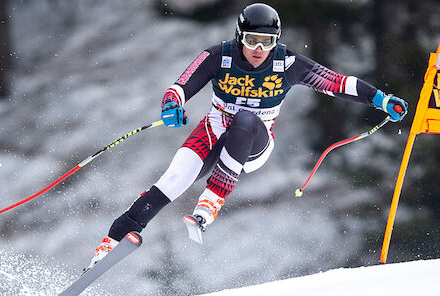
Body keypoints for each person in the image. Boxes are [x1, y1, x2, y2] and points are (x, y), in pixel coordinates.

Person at [85, 3, 408, 270]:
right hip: (214, 130)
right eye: (252, 40)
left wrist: (380, 99)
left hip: (254, 141)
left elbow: (337, 83)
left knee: (245, 118)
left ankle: (209, 206)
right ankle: (108, 245)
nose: (258, 50)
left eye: (266, 42)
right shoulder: (219, 57)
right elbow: (180, 87)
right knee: (171, 181)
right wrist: (172, 104)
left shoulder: (287, 63)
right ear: (240, 37)